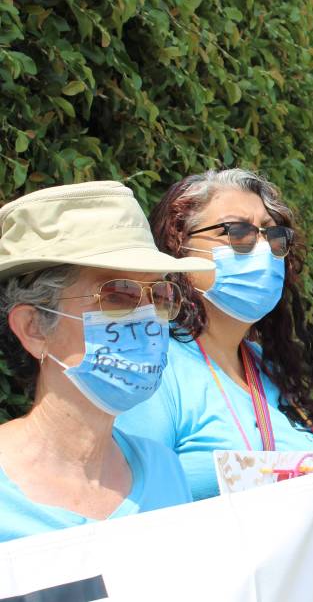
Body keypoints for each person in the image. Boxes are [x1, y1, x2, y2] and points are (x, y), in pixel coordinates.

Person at [115, 169, 313, 550]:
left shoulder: (264, 366)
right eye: (237, 233)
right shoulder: (154, 367)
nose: (261, 249)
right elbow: (128, 526)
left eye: (273, 236)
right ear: (178, 247)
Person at [0, 181, 211, 541]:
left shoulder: (164, 471)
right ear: (34, 327)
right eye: (118, 294)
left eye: (159, 294)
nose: (147, 317)